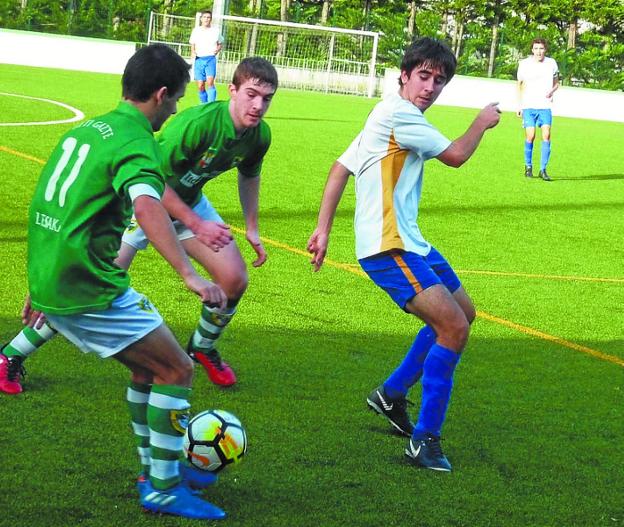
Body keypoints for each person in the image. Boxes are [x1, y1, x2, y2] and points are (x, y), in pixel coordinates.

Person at [24, 43, 229, 519]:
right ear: (160, 95)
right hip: (87, 286)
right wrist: (190, 274)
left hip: (63, 276)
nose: (176, 108)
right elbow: (146, 205)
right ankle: (162, 486)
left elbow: (47, 206)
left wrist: (38, 280)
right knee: (178, 369)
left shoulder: (89, 129)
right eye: (176, 99)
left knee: (146, 369)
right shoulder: (138, 141)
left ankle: (154, 468)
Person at [1, 57, 278, 393]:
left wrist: (251, 227)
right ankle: (11, 354)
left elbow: (250, 175)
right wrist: (194, 231)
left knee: (234, 279)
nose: (258, 105)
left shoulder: (258, 136)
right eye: (251, 94)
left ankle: (202, 347)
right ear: (232, 90)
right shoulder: (194, 125)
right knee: (89, 291)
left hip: (188, 204)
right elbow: (152, 186)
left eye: (266, 98)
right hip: (143, 203)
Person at [307, 37, 500, 472]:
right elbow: (455, 155)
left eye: (440, 80)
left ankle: (390, 394)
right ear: (404, 75)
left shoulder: (386, 110)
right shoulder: (401, 114)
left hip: (411, 241)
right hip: (386, 246)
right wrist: (481, 122)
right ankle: (425, 439)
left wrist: (322, 228)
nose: (430, 86)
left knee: (464, 313)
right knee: (452, 327)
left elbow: (341, 166)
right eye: (424, 76)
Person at [516, 37, 559, 181]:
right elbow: (520, 85)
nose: (539, 52)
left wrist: (552, 91)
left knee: (546, 135)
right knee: (531, 135)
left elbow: (556, 83)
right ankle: (528, 166)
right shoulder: (524, 64)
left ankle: (543, 169)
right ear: (532, 50)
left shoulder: (551, 63)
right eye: (536, 49)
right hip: (529, 105)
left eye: (541, 49)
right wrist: (519, 105)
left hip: (545, 106)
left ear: (545, 50)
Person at [190, 9, 224, 104]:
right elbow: (192, 43)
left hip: (210, 59)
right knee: (200, 85)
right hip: (199, 59)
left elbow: (220, 42)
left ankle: (211, 105)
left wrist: (217, 49)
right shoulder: (196, 31)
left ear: (211, 19)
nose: (206, 19)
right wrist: (193, 52)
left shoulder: (215, 31)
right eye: (204, 17)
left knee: (210, 82)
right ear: (201, 19)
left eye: (208, 17)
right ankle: (204, 105)